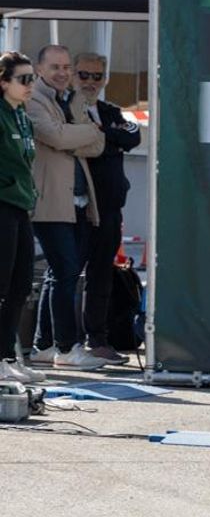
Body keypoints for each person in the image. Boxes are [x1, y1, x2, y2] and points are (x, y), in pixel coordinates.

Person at [25, 44, 105, 371]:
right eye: (54, 67)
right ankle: (66, 348)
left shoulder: (70, 100)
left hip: (77, 202)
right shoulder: (33, 100)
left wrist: (77, 135)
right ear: (39, 69)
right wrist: (84, 133)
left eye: (65, 67)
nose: (62, 73)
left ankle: (43, 345)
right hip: (49, 202)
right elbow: (56, 137)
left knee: (61, 273)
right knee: (67, 272)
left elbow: (98, 146)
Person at [71, 52, 140, 364]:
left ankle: (97, 340)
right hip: (77, 207)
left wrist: (103, 134)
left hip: (110, 208)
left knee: (102, 276)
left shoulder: (111, 111)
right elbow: (74, 142)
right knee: (65, 275)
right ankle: (56, 343)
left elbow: (133, 136)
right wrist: (107, 138)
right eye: (84, 75)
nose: (90, 82)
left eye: (97, 76)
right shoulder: (65, 108)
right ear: (73, 75)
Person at [0, 54, 42, 384]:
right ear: (4, 82)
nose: (30, 86)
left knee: (21, 284)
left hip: (21, 206)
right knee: (2, 283)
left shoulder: (22, 115)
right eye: (23, 80)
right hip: (2, 204)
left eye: (32, 79)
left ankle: (8, 356)